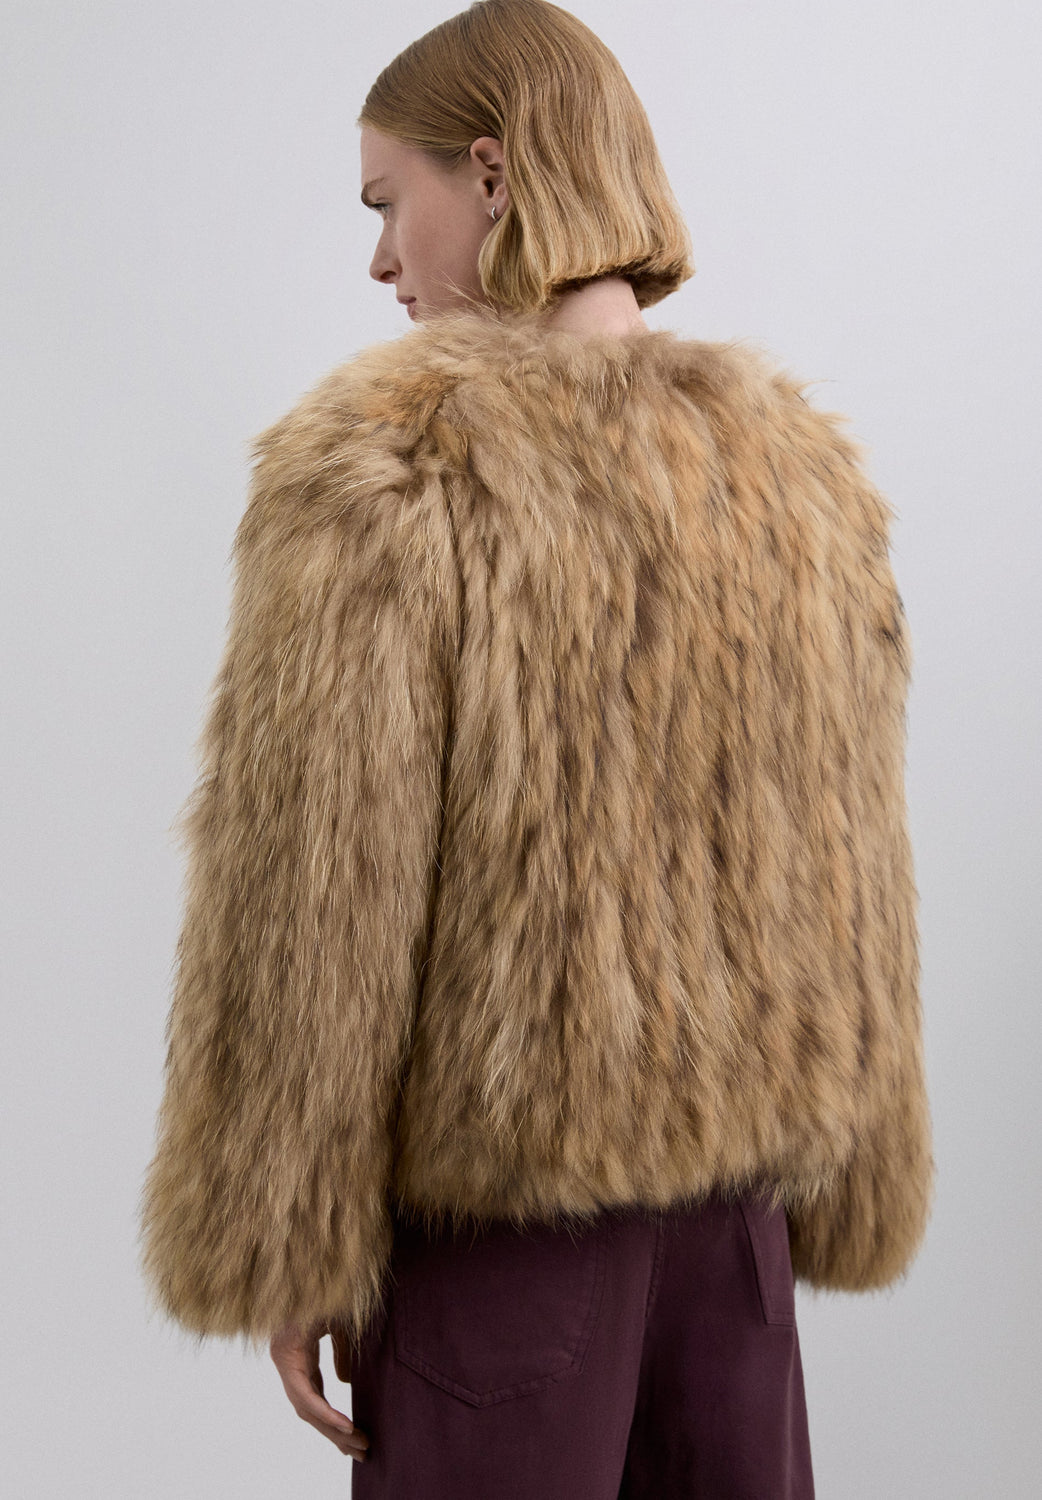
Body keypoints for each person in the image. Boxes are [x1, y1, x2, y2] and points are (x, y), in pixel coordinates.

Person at [137, 2, 935, 1496]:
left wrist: (284, 1231)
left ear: (492, 175)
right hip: (738, 1240)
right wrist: (859, 1166)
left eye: (389, 202)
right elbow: (859, 866)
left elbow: (320, 893)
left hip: (504, 1245)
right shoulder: (802, 480)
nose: (382, 259)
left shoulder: (394, 463)